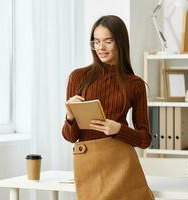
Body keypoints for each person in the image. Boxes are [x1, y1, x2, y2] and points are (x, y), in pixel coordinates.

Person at [62, 15, 154, 200]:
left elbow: (145, 139)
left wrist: (119, 129)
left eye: (108, 42)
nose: (100, 48)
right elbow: (70, 137)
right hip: (88, 162)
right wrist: (70, 116)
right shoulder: (78, 77)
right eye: (96, 42)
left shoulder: (134, 84)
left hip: (121, 161)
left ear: (120, 43)